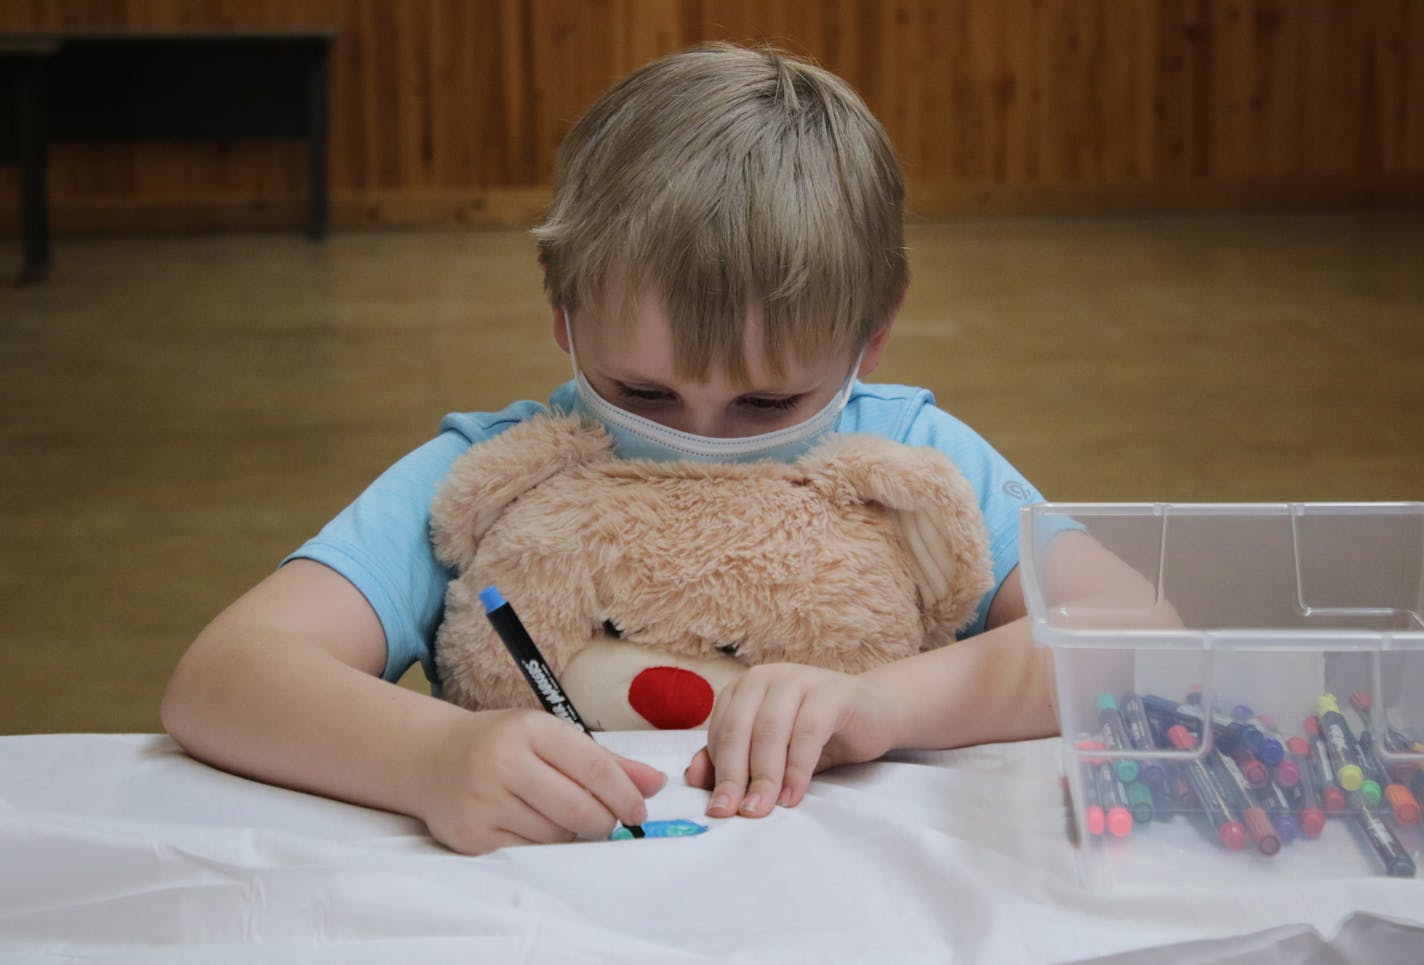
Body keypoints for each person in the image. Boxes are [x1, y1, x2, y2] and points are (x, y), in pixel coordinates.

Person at [163, 42, 1122, 857]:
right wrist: (428, 756)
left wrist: (889, 704)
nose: (697, 436)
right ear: (563, 315)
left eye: (768, 399)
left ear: (874, 336)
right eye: (644, 392)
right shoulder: (497, 469)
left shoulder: (910, 451)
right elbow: (223, 676)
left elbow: (1134, 638)